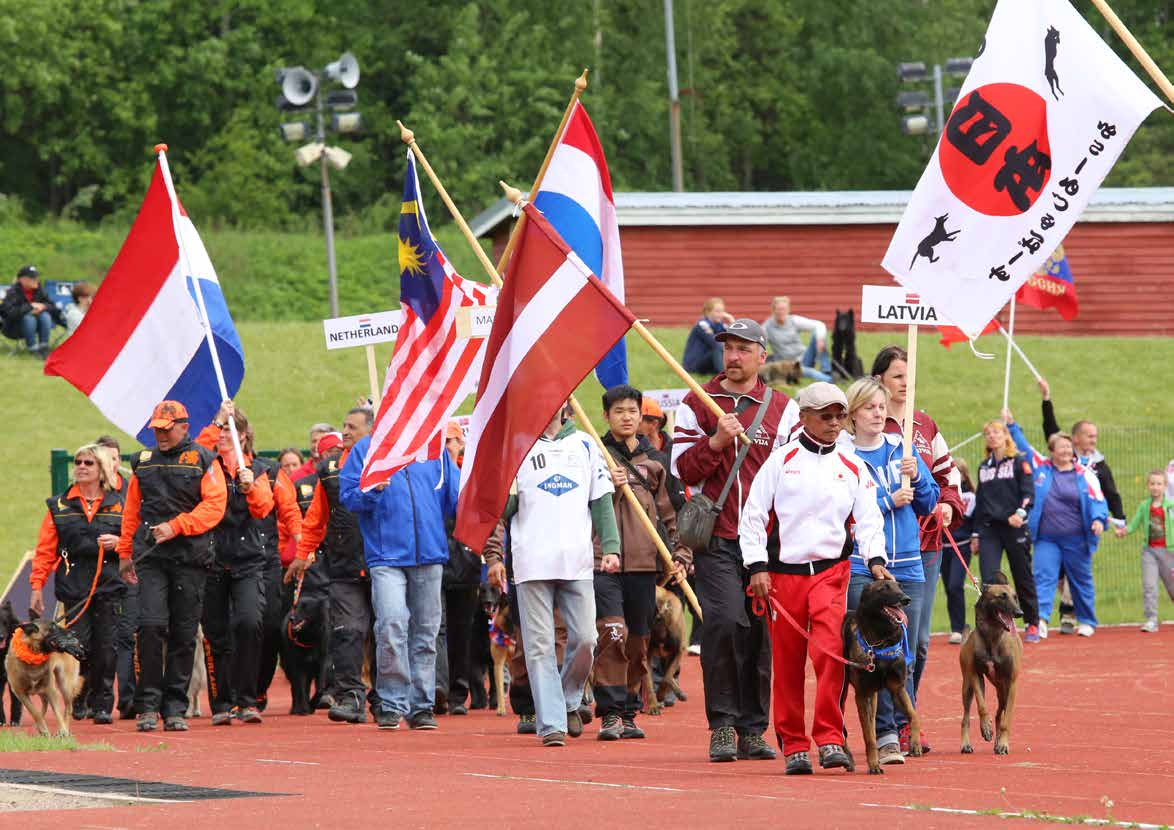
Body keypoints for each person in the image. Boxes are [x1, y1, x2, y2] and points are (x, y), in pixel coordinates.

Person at [741, 381, 886, 775]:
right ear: (804, 417)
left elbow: (869, 518)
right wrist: (756, 566)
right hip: (783, 577)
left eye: (840, 415)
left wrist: (875, 560)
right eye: (826, 416)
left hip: (831, 573)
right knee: (787, 663)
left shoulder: (853, 465)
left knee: (829, 654)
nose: (835, 423)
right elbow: (753, 515)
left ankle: (830, 738)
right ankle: (793, 744)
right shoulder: (780, 461)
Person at [672, 318, 799, 763]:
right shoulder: (697, 402)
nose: (734, 356)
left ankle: (752, 728)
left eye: (744, 348)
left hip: (765, 544)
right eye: (728, 347)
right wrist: (717, 441)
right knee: (724, 624)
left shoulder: (784, 408)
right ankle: (722, 725)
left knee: (760, 635)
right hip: (718, 538)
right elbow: (682, 470)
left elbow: (795, 476)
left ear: (762, 356)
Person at [485, 404, 619, 747]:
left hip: (576, 562)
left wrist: (612, 547)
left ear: (566, 407)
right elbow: (502, 511)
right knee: (539, 646)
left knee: (587, 638)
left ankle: (568, 697)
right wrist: (495, 553)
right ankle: (552, 724)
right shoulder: (517, 448)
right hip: (531, 563)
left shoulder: (586, 445)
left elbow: (602, 501)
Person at [872, 345, 963, 751]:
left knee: (918, 641)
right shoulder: (868, 424)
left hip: (925, 546)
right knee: (879, 638)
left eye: (910, 377)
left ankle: (907, 718)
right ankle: (882, 724)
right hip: (876, 550)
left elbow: (948, 475)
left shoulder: (924, 425)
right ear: (879, 381)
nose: (905, 384)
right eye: (897, 377)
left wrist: (947, 504)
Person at [339, 423, 459, 731]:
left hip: (429, 553)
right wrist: (373, 490)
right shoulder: (367, 449)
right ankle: (392, 702)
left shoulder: (434, 449)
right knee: (391, 625)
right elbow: (349, 496)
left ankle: (421, 706)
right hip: (386, 554)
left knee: (426, 633)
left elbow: (455, 498)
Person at [843, 378, 938, 766]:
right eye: (869, 407)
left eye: (882, 407)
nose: (879, 414)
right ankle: (885, 735)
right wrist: (886, 500)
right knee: (874, 653)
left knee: (911, 651)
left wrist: (916, 476)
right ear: (852, 414)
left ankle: (904, 723)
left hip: (908, 563)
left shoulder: (902, 449)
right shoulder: (844, 456)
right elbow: (845, 513)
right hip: (864, 565)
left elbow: (928, 501)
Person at [117, 400, 227, 732]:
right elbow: (131, 511)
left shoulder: (204, 460)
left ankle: (176, 707)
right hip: (150, 558)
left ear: (183, 426)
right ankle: (148, 705)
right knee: (149, 626)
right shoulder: (142, 462)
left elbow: (215, 506)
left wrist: (177, 526)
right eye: (157, 430)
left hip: (191, 558)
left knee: (183, 632)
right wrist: (124, 554)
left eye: (166, 429)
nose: (161, 436)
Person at [593, 385, 691, 741]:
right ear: (606, 416)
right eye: (619, 411)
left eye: (632, 411)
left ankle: (630, 708)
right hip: (603, 562)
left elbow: (671, 514)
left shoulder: (656, 463)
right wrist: (608, 487)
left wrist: (680, 554)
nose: (627, 417)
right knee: (612, 632)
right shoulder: (594, 456)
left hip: (644, 564)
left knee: (638, 639)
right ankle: (609, 710)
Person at [29, 443, 126, 724]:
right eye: (79, 462)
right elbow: (46, 549)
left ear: (102, 470)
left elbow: (136, 538)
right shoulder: (59, 505)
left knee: (107, 646)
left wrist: (119, 543)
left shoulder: (120, 503)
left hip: (109, 583)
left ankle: (103, 702)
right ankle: (78, 697)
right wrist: (37, 585)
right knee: (77, 644)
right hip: (74, 584)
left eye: (89, 463)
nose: (81, 467)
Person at [288, 408, 373, 724]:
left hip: (383, 561)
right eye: (345, 426)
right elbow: (316, 517)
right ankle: (351, 697)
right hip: (344, 563)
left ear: (370, 430)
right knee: (347, 631)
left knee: (387, 630)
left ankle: (386, 697)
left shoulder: (386, 462)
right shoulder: (331, 468)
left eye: (352, 427)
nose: (345, 431)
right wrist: (303, 554)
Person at [1005, 413, 1107, 638]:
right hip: (1046, 538)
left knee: (1081, 579)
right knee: (1043, 577)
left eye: (1068, 447)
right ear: (1052, 451)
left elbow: (1098, 500)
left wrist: (1099, 520)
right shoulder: (1041, 467)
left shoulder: (1085, 474)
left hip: (1077, 538)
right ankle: (1040, 619)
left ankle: (1087, 620)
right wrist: (1012, 425)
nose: (1066, 451)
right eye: (1061, 447)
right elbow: (1024, 447)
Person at [1037, 378, 1125, 634]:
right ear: (1075, 439)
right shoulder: (1063, 455)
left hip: (1081, 529)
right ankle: (1059, 615)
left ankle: (1073, 615)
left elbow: (1111, 494)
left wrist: (1119, 520)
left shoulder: (1098, 465)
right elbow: (1050, 429)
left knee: (1076, 573)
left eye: (1095, 436)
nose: (1094, 440)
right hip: (1052, 530)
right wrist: (1046, 399)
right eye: (1090, 435)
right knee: (1054, 573)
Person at [969, 419, 1040, 642]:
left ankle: (1032, 622)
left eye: (996, 432)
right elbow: (980, 503)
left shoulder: (1019, 462)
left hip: (1014, 527)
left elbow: (1029, 493)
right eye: (988, 433)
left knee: (1022, 574)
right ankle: (989, 623)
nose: (992, 436)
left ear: (1006, 436)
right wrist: (975, 533)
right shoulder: (984, 467)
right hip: (990, 529)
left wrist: (1019, 514)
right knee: (989, 579)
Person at [96, 435, 137, 719]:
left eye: (113, 458)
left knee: (128, 636)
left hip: (129, 573)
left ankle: (129, 700)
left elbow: (142, 528)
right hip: (98, 578)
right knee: (101, 641)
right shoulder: (85, 496)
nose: (109, 464)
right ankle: (96, 699)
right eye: (103, 459)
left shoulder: (131, 492)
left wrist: (120, 542)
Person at [1117, 471, 1174, 632]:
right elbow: (1135, 524)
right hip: (1150, 552)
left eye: (1159, 484)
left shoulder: (1171, 506)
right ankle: (1151, 619)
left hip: (1169, 552)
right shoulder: (1144, 506)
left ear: (1165, 486)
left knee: (1172, 587)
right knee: (1150, 585)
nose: (1155, 487)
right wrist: (1124, 531)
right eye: (1152, 484)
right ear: (1148, 486)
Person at [942, 458, 977, 644]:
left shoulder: (970, 496)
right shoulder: (940, 492)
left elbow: (973, 519)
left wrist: (975, 537)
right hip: (942, 547)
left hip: (961, 546)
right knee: (949, 588)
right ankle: (955, 627)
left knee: (956, 585)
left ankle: (959, 627)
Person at [762, 295, 833, 382]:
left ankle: (827, 370)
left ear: (788, 310)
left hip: (804, 357)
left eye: (784, 309)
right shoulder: (767, 327)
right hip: (790, 366)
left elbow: (819, 325)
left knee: (818, 335)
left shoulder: (793, 320)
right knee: (811, 373)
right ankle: (831, 379)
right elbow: (759, 345)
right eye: (779, 309)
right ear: (773, 310)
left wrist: (819, 340)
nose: (781, 312)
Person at [1, 264, 61, 356]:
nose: (36, 280)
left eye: (36, 277)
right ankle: (33, 349)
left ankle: (43, 347)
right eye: (32, 278)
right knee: (29, 317)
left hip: (37, 327)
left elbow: (53, 307)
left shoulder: (39, 290)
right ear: (22, 280)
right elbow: (8, 313)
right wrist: (30, 307)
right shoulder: (13, 292)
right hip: (13, 328)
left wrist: (43, 306)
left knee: (44, 315)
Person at [683, 298, 735, 375]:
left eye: (722, 311)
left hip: (708, 362)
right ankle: (724, 376)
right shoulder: (702, 325)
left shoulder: (721, 326)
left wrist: (732, 321)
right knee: (719, 347)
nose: (721, 314)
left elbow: (736, 340)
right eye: (717, 311)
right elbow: (715, 343)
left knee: (732, 347)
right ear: (708, 312)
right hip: (694, 364)